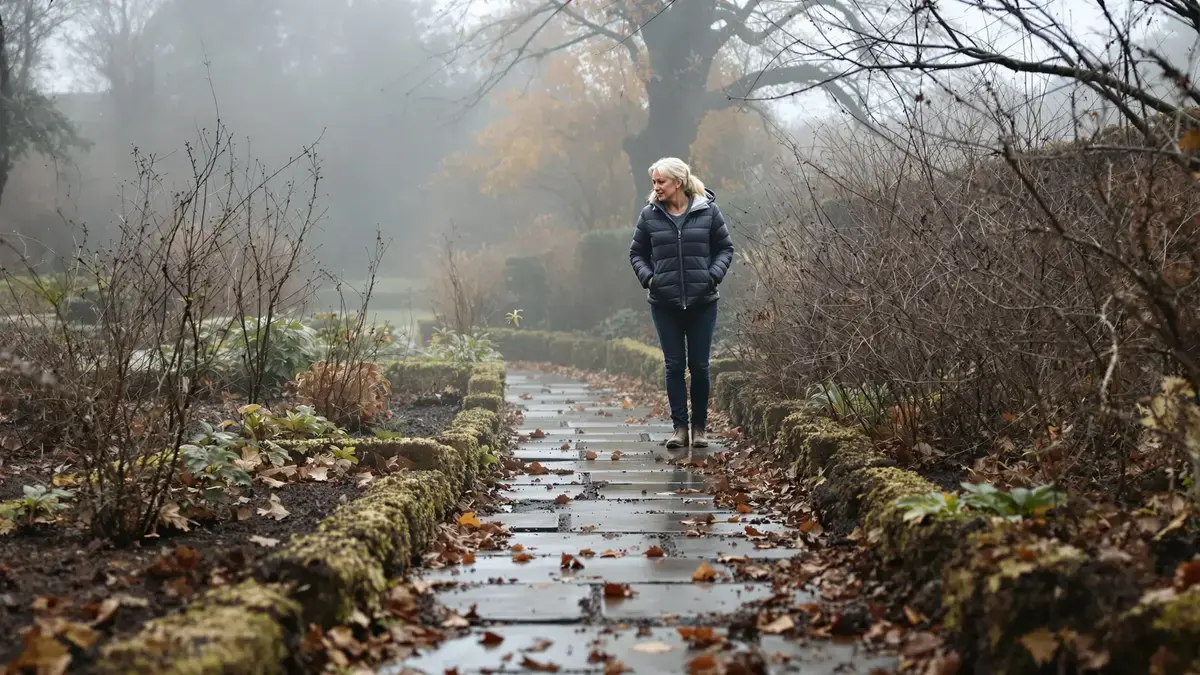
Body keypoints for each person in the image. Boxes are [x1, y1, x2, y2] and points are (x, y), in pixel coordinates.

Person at [628, 157, 734, 450]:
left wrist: (712, 277)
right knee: (674, 366)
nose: (656, 187)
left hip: (703, 302)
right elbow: (636, 253)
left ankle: (699, 428)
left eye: (661, 182)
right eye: (654, 182)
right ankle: (679, 429)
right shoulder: (649, 215)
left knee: (699, 366)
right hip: (665, 303)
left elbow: (725, 248)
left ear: (678, 182)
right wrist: (651, 280)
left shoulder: (708, 211)